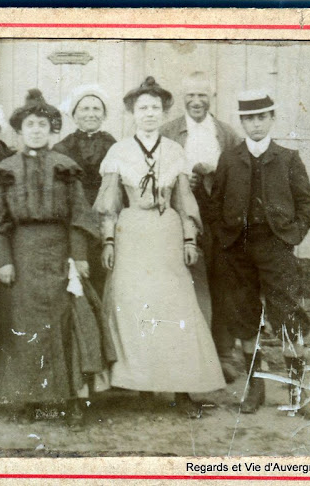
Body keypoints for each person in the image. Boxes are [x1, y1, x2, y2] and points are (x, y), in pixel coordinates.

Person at [94, 77, 226, 417]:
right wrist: (108, 240)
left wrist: (188, 238)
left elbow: (185, 200)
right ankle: (139, 383)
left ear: (163, 111)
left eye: (155, 108)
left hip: (166, 233)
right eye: (142, 109)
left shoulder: (175, 151)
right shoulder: (118, 151)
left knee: (175, 306)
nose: (149, 114)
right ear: (132, 113)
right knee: (134, 304)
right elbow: (108, 203)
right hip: (132, 232)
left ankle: (181, 389)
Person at [0, 89, 110, 430]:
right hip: (21, 253)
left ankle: (72, 401)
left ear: (52, 129)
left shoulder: (65, 167)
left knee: (66, 323)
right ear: (19, 131)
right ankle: (32, 399)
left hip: (60, 253)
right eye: (29, 125)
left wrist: (79, 256)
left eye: (42, 124)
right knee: (26, 326)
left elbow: (81, 217)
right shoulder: (6, 169)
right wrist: (4, 260)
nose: (36, 130)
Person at [210, 91, 310, 414]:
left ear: (271, 119)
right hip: (238, 248)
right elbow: (216, 202)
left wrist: (291, 236)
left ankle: (298, 393)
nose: (255, 124)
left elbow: (306, 204)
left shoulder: (288, 158)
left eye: (261, 118)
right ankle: (255, 390)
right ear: (241, 122)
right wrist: (226, 237)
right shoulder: (229, 158)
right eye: (249, 119)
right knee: (244, 316)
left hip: (275, 246)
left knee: (285, 315)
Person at [160, 72, 243, 383]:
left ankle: (222, 355)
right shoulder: (169, 132)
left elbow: (238, 177)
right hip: (181, 216)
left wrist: (213, 176)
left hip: (218, 220)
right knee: (187, 284)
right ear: (183, 99)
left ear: (212, 97)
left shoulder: (226, 134)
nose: (196, 102)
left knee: (222, 284)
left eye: (202, 95)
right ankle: (186, 356)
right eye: (191, 96)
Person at [53, 85, 117, 295]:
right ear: (74, 115)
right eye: (85, 109)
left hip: (105, 221)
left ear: (104, 114)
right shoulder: (62, 148)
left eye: (96, 109)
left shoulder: (114, 146)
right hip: (74, 221)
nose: (90, 114)